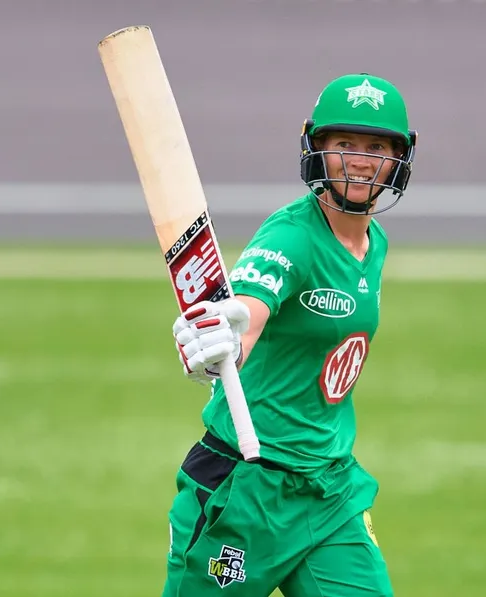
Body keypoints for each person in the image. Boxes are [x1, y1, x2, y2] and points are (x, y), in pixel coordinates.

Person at [161, 72, 418, 597]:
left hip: (329, 490)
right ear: (316, 150)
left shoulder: (376, 244)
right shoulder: (292, 236)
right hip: (247, 488)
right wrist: (227, 337)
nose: (360, 160)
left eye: (376, 147)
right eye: (344, 144)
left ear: (399, 159)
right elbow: (249, 306)